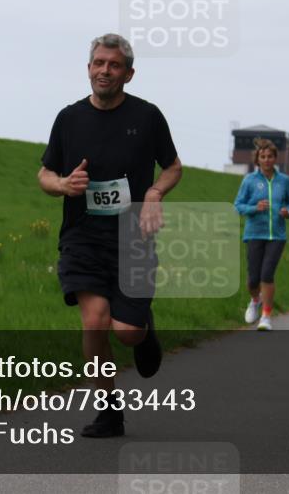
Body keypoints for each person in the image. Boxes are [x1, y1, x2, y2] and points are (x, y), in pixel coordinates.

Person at [38, 33, 182, 438]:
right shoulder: (69, 118)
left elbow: (173, 167)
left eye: (114, 65)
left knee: (126, 331)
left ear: (129, 74)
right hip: (82, 237)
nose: (105, 70)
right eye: (98, 63)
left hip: (133, 237)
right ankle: (108, 411)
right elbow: (44, 173)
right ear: (88, 69)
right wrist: (62, 185)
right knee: (95, 322)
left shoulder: (147, 117)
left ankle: (143, 329)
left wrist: (154, 192)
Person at [234, 139, 289, 331]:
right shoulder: (249, 180)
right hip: (254, 233)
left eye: (270, 157)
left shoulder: (284, 181)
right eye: (263, 157)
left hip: (276, 235)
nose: (267, 160)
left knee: (267, 275)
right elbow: (238, 206)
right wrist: (254, 208)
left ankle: (266, 316)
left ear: (275, 159)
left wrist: (288, 211)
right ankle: (255, 300)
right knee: (253, 279)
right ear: (257, 160)